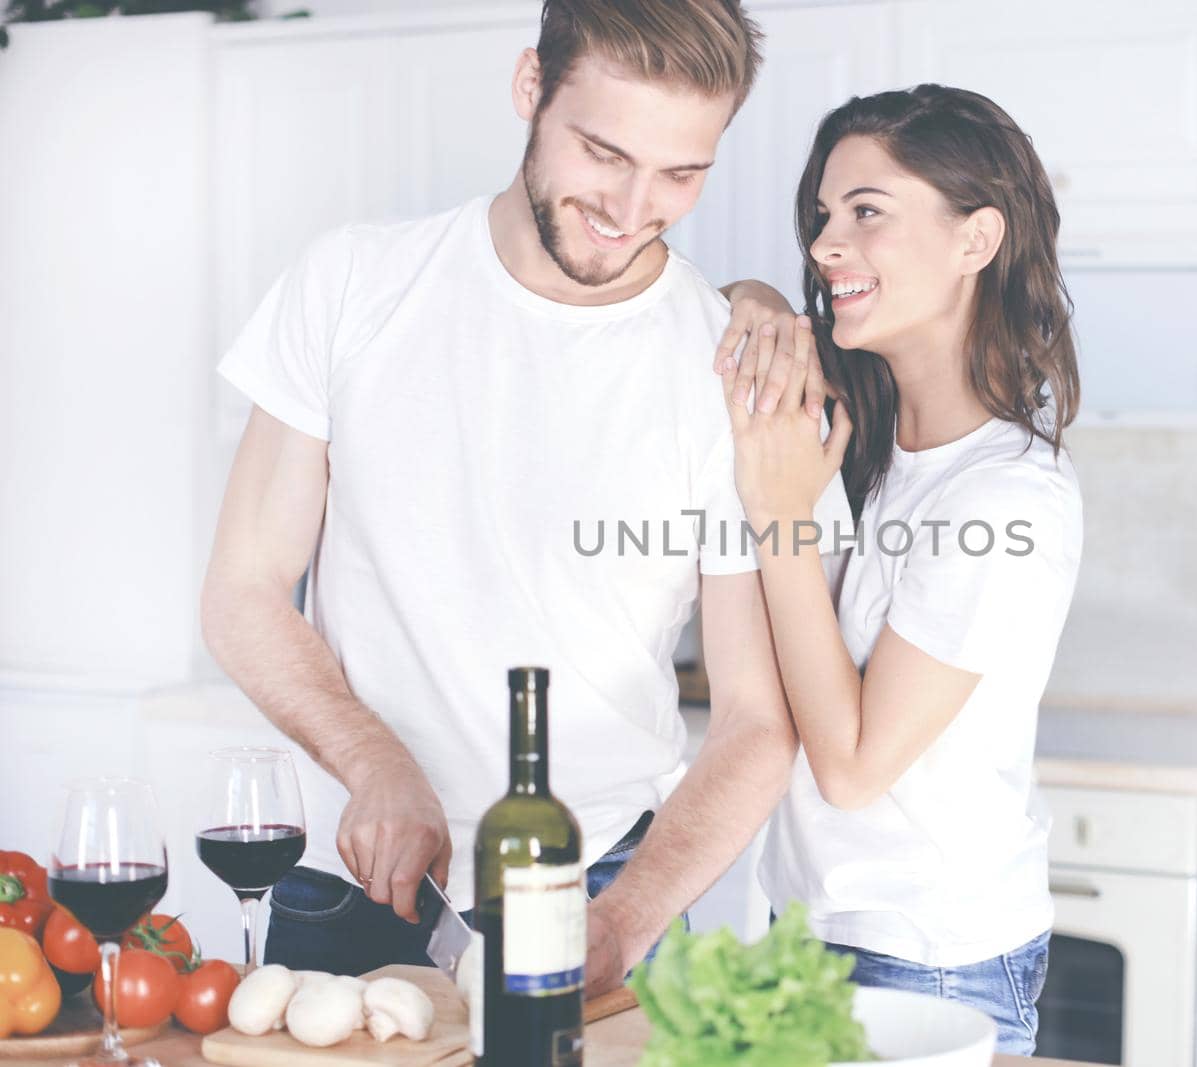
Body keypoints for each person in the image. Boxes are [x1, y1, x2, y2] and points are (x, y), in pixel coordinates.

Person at [200, 0, 846, 990]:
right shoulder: (350, 286)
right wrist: (375, 763)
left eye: (681, 172)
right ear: (530, 90)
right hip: (352, 872)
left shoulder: (731, 371)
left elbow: (758, 716)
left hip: (597, 886)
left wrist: (623, 919)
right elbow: (243, 592)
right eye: (604, 153)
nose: (634, 207)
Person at [713, 85, 1084, 1054]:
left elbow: (850, 765)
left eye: (866, 212)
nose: (826, 244)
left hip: (929, 955)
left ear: (976, 239)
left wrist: (782, 516)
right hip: (816, 931)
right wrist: (754, 297)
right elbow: (724, 312)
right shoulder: (873, 438)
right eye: (822, 217)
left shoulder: (1005, 498)